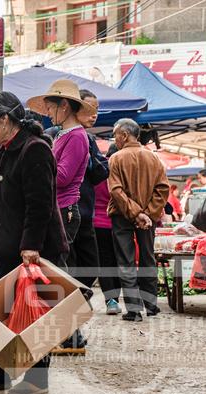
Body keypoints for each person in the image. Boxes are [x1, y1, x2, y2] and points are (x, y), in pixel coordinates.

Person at [0, 91, 68, 394]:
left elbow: (40, 204)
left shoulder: (34, 149)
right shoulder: (5, 152)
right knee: (6, 314)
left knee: (36, 314)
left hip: (33, 250)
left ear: (5, 119)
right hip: (10, 247)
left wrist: (31, 246)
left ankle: (36, 380)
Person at [27, 79, 96, 350]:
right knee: (55, 274)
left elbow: (64, 176)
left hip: (66, 210)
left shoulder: (77, 136)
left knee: (57, 274)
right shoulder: (62, 135)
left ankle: (73, 335)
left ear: (64, 106)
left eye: (51, 108)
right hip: (57, 209)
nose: (49, 114)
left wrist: (39, 169)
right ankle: (68, 334)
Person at [108, 119, 169, 322]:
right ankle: (151, 305)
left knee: (126, 261)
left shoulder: (115, 158)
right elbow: (163, 189)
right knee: (147, 258)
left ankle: (133, 310)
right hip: (148, 218)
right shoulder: (154, 158)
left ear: (124, 135)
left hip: (122, 216)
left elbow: (116, 191)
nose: (114, 138)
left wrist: (135, 213)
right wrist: (147, 213)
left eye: (115, 134)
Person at [67, 89, 109, 289]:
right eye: (91, 108)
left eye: (97, 109)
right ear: (75, 107)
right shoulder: (64, 136)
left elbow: (101, 172)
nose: (95, 114)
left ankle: (77, 297)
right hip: (70, 211)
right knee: (76, 262)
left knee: (87, 263)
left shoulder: (87, 139)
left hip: (83, 210)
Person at [94, 143, 123, 314]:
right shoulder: (120, 171)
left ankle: (111, 301)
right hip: (118, 222)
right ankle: (115, 298)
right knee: (118, 260)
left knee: (104, 262)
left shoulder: (97, 170)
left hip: (97, 222)